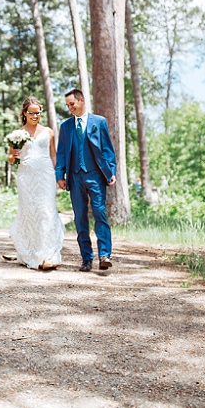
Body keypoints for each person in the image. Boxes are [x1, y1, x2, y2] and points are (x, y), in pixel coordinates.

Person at [55, 89, 117, 272]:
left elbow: (108, 150)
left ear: (81, 101)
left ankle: (104, 255)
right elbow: (61, 153)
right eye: (67, 105)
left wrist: (111, 172)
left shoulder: (99, 122)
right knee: (80, 218)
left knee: (100, 213)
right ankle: (86, 258)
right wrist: (60, 176)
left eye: (72, 104)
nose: (70, 108)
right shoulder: (66, 127)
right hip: (75, 177)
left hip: (96, 176)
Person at [8, 97, 65, 270]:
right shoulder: (17, 135)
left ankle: (49, 255)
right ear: (25, 113)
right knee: (30, 212)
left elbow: (53, 155)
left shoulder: (48, 132)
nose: (35, 115)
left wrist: (59, 175)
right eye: (31, 112)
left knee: (46, 211)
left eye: (38, 112)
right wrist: (13, 157)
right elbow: (11, 160)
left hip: (46, 175)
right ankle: (30, 252)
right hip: (26, 176)